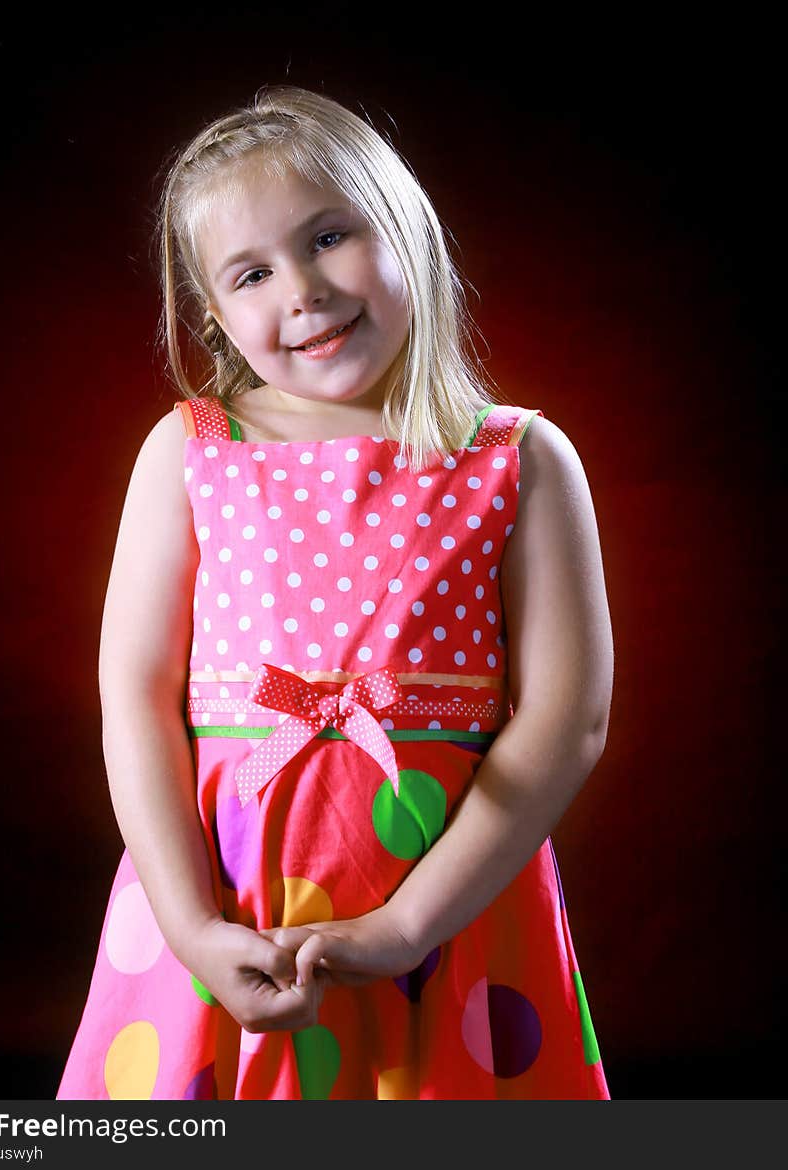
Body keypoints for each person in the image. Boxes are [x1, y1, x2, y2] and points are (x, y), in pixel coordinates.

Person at [56, 84, 614, 1101]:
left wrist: (408, 925)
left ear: (405, 231)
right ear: (216, 312)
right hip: (225, 901)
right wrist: (191, 928)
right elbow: (135, 697)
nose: (302, 291)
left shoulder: (517, 460)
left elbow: (564, 721)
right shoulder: (193, 452)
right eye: (253, 272)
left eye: (328, 237)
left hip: (449, 904)